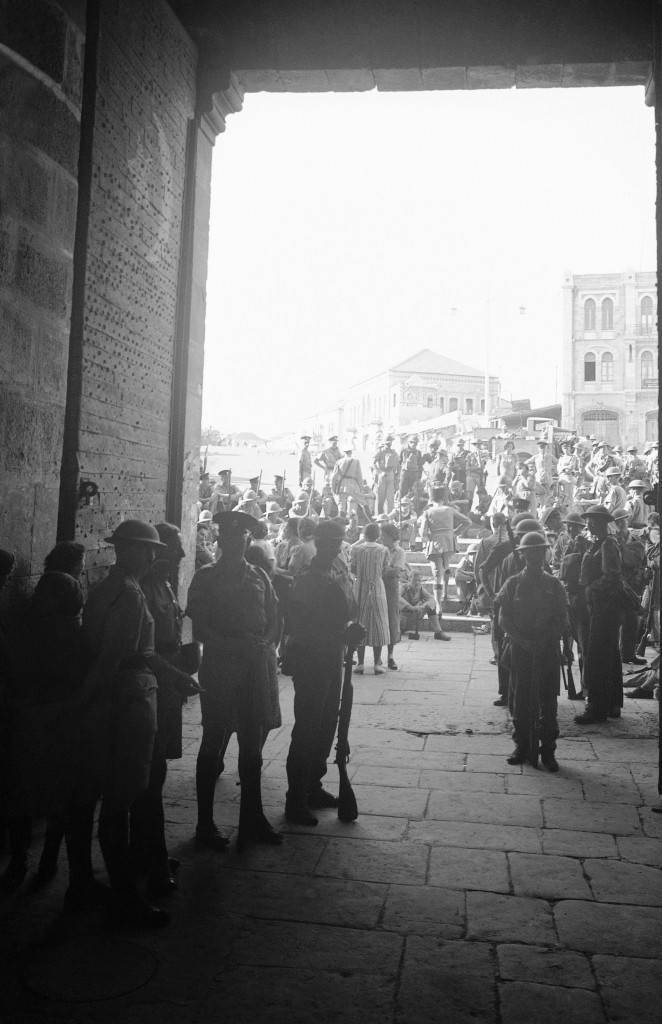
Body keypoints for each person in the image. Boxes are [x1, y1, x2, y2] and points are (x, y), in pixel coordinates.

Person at [82, 520, 172, 926]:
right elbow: (114, 657)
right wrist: (88, 699)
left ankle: (122, 889)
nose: (154, 556)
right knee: (123, 795)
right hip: (129, 697)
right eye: (148, 549)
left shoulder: (109, 586)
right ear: (131, 551)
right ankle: (124, 898)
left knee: (120, 793)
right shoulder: (131, 595)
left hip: (124, 692)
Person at [187, 510, 282, 852]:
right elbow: (200, 627)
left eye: (241, 538)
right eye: (228, 538)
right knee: (214, 741)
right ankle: (204, 823)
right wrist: (233, 644)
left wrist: (266, 642)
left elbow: (274, 617)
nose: (235, 543)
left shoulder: (259, 574)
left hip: (255, 665)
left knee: (253, 746)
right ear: (220, 541)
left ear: (246, 541)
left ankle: (252, 818)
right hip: (222, 665)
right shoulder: (206, 577)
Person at [133, 523, 201, 898]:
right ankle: (149, 858)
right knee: (148, 773)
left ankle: (146, 851)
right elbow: (143, 648)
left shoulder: (164, 585)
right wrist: (175, 670)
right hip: (151, 686)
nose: (181, 555)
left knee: (156, 772)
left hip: (167, 686)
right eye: (174, 548)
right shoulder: (140, 588)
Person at [284, 519, 356, 826]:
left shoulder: (336, 571)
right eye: (329, 540)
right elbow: (301, 624)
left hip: (332, 656)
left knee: (328, 723)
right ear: (319, 541)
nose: (335, 546)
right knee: (308, 728)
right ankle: (296, 797)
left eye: (338, 540)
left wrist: (348, 630)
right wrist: (340, 633)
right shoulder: (308, 579)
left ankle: (313, 784)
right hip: (312, 658)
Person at [498, 531, 573, 771]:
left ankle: (548, 751)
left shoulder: (554, 584)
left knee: (548, 702)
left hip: (547, 650)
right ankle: (521, 746)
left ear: (544, 554)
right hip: (520, 650)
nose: (535, 556)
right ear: (523, 555)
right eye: (530, 552)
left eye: (539, 551)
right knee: (520, 701)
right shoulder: (512, 583)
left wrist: (546, 640)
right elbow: (503, 619)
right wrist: (521, 640)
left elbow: (563, 619)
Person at [574, 505, 627, 725]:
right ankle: (611, 703)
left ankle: (596, 707)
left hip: (604, 608)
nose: (587, 524)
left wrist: (590, 589)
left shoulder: (608, 544)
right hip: (597, 607)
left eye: (591, 521)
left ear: (600, 522)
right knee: (608, 655)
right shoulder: (596, 543)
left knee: (597, 657)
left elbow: (612, 576)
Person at [418, 486, 471, 633]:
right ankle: (446, 592)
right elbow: (467, 522)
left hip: (435, 541)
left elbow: (422, 532)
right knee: (446, 566)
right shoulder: (450, 510)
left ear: (431, 498)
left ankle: (439, 605)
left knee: (436, 573)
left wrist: (429, 536)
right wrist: (455, 533)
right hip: (449, 540)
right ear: (444, 497)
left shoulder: (428, 512)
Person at [350, 523, 390, 674]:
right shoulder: (383, 550)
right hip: (378, 587)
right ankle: (377, 664)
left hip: (360, 587)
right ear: (378, 535)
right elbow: (385, 569)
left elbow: (353, 568)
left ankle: (360, 663)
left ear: (364, 534)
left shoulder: (356, 549)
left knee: (359, 622)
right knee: (378, 623)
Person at [612, 508, 647, 667]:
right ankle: (616, 655)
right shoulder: (612, 541)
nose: (621, 523)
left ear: (627, 521)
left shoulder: (635, 539)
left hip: (633, 585)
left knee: (632, 622)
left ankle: (628, 654)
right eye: (618, 521)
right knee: (617, 621)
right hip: (618, 586)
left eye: (623, 520)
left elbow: (640, 560)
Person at [379, 521, 408, 670]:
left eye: (384, 536)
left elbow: (396, 571)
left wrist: (382, 569)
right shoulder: (378, 549)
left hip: (390, 588)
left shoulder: (399, 552)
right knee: (376, 619)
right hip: (378, 586)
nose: (381, 538)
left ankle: (390, 656)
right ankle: (377, 658)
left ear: (391, 537)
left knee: (392, 620)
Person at [399, 570, 444, 637]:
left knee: (430, 605)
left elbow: (431, 599)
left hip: (413, 618)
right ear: (409, 579)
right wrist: (411, 607)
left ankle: (438, 632)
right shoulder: (403, 587)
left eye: (419, 580)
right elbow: (397, 597)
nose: (417, 583)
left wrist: (422, 606)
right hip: (401, 621)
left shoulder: (420, 589)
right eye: (415, 580)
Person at [332, 443, 365, 519]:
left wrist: (334, 488)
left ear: (344, 452)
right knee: (357, 505)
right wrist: (361, 488)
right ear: (351, 452)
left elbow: (334, 477)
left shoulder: (339, 462)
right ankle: (353, 523)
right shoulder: (356, 461)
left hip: (342, 486)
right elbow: (359, 476)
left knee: (341, 508)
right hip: (353, 485)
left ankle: (341, 525)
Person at [373, 434, 400, 514]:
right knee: (381, 498)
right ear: (384, 442)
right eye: (388, 442)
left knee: (390, 499)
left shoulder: (394, 452)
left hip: (391, 474)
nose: (389, 443)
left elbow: (398, 464)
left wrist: (397, 476)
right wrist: (380, 472)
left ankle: (389, 517)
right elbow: (373, 463)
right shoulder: (380, 451)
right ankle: (380, 516)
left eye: (391, 442)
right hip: (382, 475)